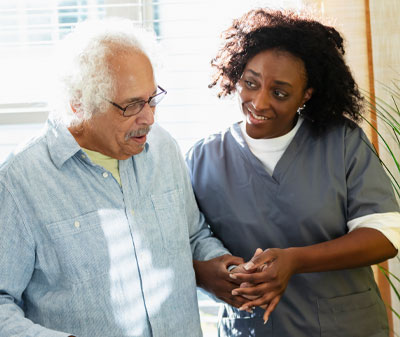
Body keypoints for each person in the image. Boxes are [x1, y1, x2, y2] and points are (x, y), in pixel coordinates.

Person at [0, 18, 244, 337]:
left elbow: (192, 236)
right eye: (132, 106)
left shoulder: (163, 148)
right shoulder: (20, 182)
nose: (150, 118)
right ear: (80, 104)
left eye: (152, 99)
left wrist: (224, 267)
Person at [186, 8, 400, 337]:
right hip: (252, 327)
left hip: (345, 326)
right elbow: (186, 242)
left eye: (280, 93)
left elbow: (385, 236)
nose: (258, 102)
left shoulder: (341, 142)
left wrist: (296, 260)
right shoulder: (202, 159)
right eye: (250, 83)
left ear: (306, 94)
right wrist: (209, 275)